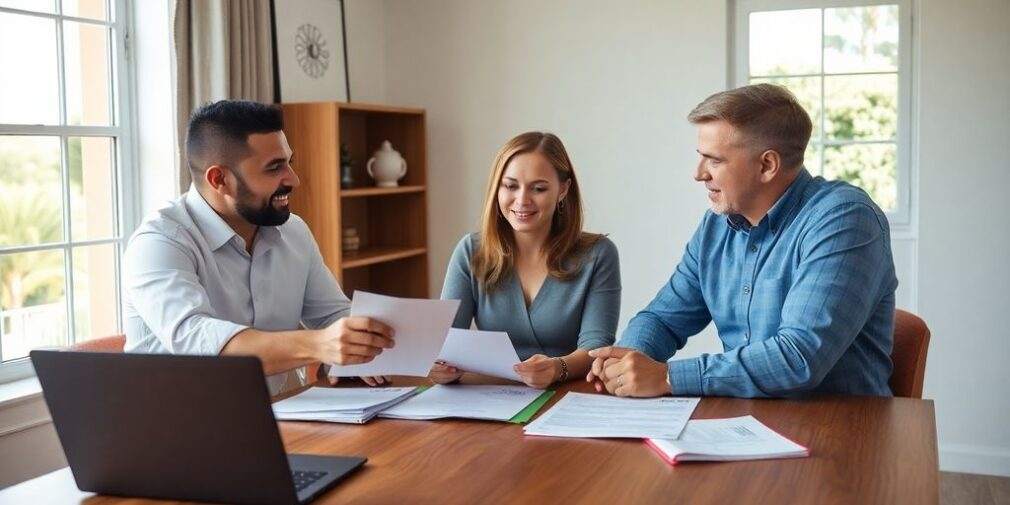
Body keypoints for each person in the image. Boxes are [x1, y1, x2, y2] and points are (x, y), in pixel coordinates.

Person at [587, 83, 897, 398]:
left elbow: (799, 357)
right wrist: (625, 360)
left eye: (714, 161)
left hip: (842, 430)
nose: (699, 174)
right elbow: (663, 319)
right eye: (700, 158)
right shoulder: (716, 226)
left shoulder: (844, 218)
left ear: (767, 165)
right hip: (744, 426)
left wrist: (668, 378)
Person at [123, 100, 393, 394]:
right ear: (220, 179)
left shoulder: (294, 232)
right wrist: (318, 345)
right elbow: (199, 343)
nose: (294, 179)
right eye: (275, 168)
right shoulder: (159, 242)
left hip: (275, 417)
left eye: (289, 162)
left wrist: (370, 349)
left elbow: (332, 316)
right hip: (172, 430)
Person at [435, 132, 621, 389]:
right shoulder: (471, 250)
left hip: (569, 395)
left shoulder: (598, 254)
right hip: (490, 398)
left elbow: (596, 348)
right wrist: (438, 366)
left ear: (563, 190)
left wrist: (557, 368)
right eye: (510, 186)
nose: (522, 200)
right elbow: (445, 341)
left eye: (539, 188)